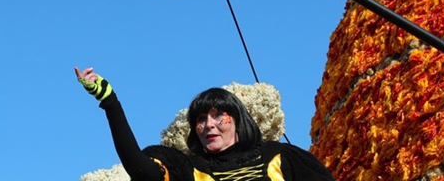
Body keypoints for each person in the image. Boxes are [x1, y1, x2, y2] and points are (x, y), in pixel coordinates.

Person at [75, 67, 336, 181]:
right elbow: (142, 171)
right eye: (200, 120)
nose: (208, 125)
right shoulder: (190, 171)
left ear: (237, 119)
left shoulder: (282, 157)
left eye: (217, 115)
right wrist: (110, 102)